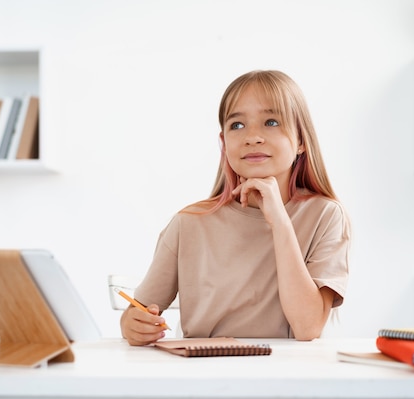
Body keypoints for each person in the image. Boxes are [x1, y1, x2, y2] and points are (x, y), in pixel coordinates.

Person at [120, 70, 350, 346]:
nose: (252, 137)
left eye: (271, 121)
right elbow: (138, 311)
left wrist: (280, 222)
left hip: (287, 376)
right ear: (223, 142)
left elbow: (307, 326)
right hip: (205, 375)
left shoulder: (325, 216)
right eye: (237, 125)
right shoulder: (188, 223)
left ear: (301, 140)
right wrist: (132, 325)